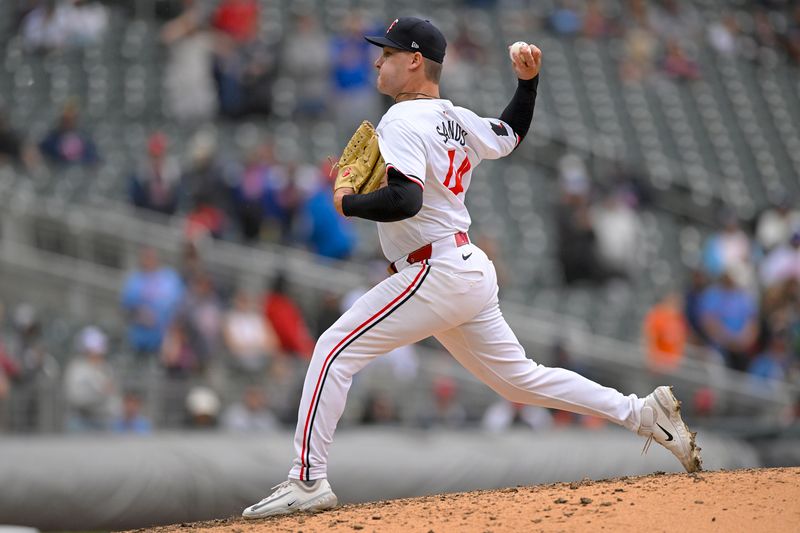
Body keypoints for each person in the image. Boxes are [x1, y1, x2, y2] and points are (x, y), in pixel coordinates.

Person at [242, 17, 702, 519]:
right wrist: (528, 83)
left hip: (435, 267)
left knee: (333, 349)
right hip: (464, 268)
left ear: (415, 61)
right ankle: (642, 412)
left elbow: (406, 199)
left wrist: (348, 203)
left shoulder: (400, 120)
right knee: (518, 380)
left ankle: (306, 479)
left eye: (389, 53)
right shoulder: (457, 118)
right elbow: (512, 131)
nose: (379, 60)